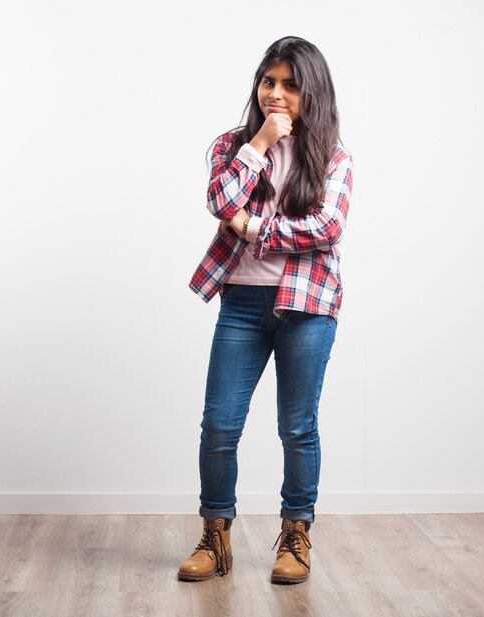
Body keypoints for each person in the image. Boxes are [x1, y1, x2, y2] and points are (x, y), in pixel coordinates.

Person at [177, 36, 354, 585]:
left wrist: (254, 228)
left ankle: (296, 537)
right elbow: (218, 201)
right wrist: (260, 142)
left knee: (297, 428)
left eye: (290, 85)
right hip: (243, 303)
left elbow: (326, 228)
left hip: (307, 305)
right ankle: (216, 537)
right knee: (218, 426)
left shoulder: (334, 157)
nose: (275, 94)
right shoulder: (234, 144)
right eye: (268, 82)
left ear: (312, 92)